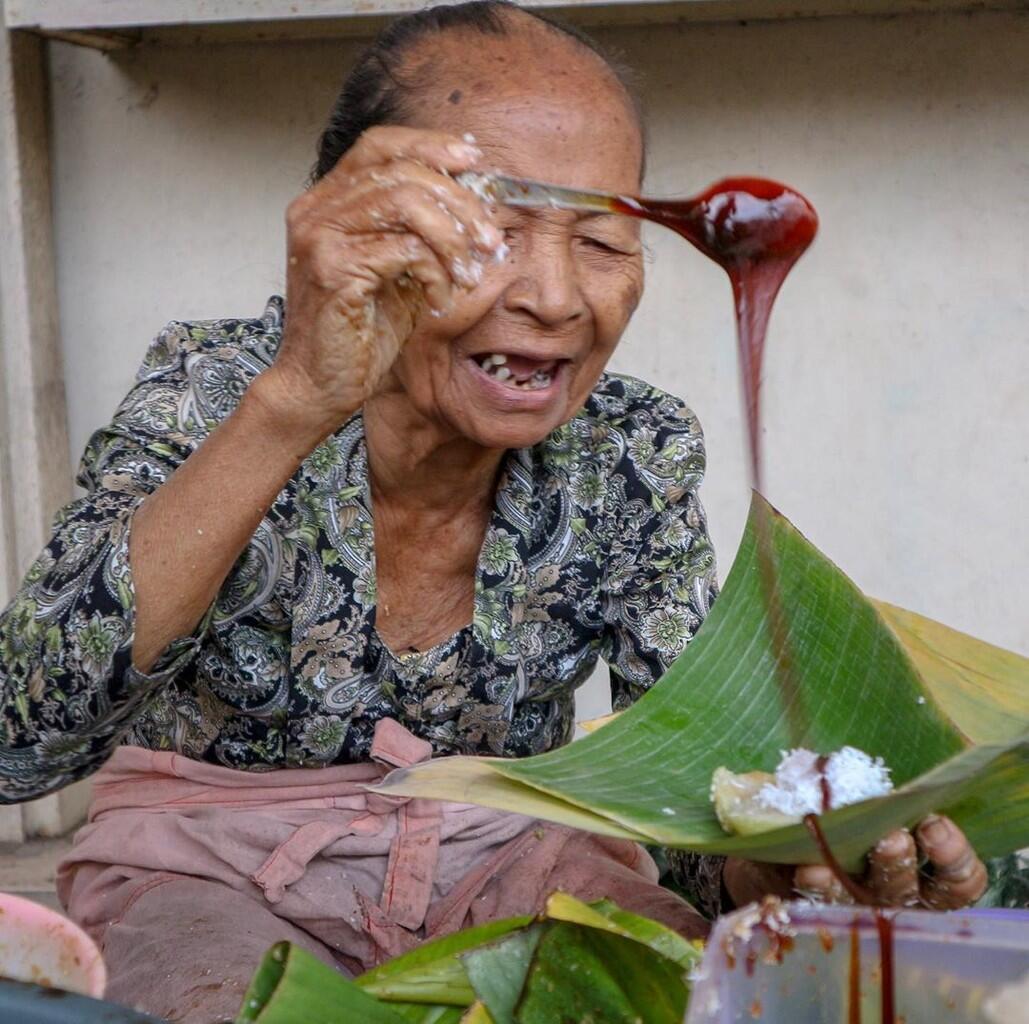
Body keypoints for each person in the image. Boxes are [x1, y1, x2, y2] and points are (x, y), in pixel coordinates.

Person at [0, 2, 986, 1019]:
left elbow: (685, 804)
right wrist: (294, 398)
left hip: (512, 865)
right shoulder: (217, 389)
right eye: (494, 228)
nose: (557, 296)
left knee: (698, 992)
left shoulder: (630, 451)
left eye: (603, 239)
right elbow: (22, 739)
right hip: (205, 874)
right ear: (356, 222)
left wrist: (782, 876)